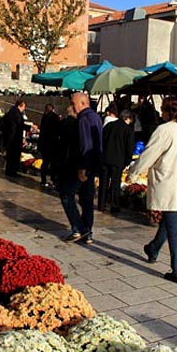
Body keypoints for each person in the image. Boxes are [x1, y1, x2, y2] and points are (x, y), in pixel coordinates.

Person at [130, 97, 177, 284]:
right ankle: (153, 248)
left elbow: (149, 154)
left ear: (167, 111)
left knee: (174, 228)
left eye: (163, 109)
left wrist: (133, 173)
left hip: (168, 182)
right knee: (170, 218)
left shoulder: (164, 130)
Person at [60, 92, 101, 244]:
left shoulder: (83, 119)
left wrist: (83, 167)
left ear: (83, 103)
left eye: (74, 103)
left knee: (66, 195)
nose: (72, 106)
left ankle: (79, 228)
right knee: (86, 199)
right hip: (93, 165)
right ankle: (87, 232)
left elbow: (86, 144)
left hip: (83, 165)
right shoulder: (96, 117)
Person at [99, 108, 136, 213]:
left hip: (105, 159)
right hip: (118, 161)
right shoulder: (128, 130)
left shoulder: (109, 126)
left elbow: (102, 141)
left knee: (103, 183)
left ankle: (101, 204)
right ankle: (114, 205)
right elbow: (130, 148)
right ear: (128, 118)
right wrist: (127, 162)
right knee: (115, 184)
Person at [38, 104, 61, 189]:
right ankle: (53, 180)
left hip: (44, 144)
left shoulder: (45, 116)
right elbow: (57, 130)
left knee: (45, 162)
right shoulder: (54, 117)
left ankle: (43, 179)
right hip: (52, 144)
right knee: (53, 163)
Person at [2, 99, 27, 177]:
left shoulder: (11, 111)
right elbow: (20, 125)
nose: (24, 109)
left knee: (11, 156)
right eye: (24, 107)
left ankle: (10, 171)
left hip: (10, 137)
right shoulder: (16, 113)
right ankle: (12, 172)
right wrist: (31, 127)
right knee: (14, 156)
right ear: (20, 105)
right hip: (14, 138)